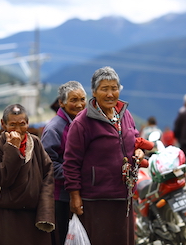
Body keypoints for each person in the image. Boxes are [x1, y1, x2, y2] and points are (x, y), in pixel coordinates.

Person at [63, 66, 153, 245]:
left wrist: (139, 150)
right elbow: (70, 163)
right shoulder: (82, 123)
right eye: (105, 89)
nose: (110, 94)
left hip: (124, 195)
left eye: (114, 88)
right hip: (96, 199)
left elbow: (134, 137)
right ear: (94, 92)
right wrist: (75, 195)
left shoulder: (125, 115)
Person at [0, 104, 55, 245]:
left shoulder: (35, 143)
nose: (18, 130)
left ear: (28, 123)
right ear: (3, 124)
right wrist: (12, 149)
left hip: (34, 215)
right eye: (12, 124)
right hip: (7, 216)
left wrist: (45, 211)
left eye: (22, 124)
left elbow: (48, 174)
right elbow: (3, 179)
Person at [41, 81, 86, 245]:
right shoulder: (55, 128)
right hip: (60, 196)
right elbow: (47, 163)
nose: (80, 104)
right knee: (61, 239)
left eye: (82, 99)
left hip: (80, 192)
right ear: (61, 102)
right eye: (74, 100)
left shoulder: (81, 124)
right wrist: (74, 176)